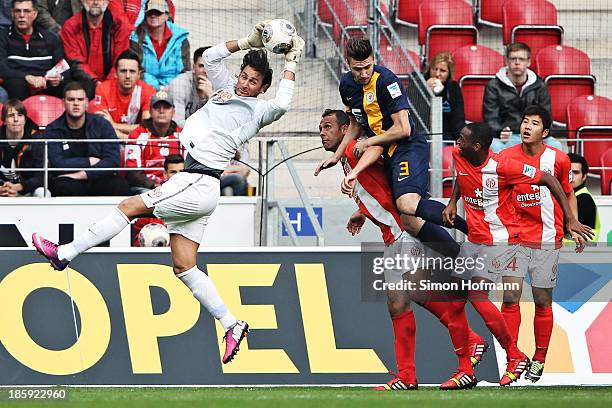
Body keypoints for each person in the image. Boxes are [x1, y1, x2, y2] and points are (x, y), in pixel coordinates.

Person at [32, 22, 304, 365]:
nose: (245, 84)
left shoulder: (258, 110)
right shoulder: (226, 88)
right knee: (184, 266)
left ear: (262, 87)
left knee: (130, 205)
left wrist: (291, 62)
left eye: (254, 82)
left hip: (196, 179)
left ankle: (65, 253)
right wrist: (249, 41)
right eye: (244, 77)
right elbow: (212, 58)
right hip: (201, 185)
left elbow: (282, 103)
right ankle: (233, 323)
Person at [320, 108, 488, 391]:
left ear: (345, 127)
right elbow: (379, 186)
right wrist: (361, 212)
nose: (322, 133)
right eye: (320, 128)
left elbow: (374, 152)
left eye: (327, 127)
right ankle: (467, 343)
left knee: (400, 302)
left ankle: (415, 374)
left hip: (401, 232)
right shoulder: (347, 158)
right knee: (417, 296)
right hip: (392, 234)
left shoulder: (353, 148)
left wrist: (358, 165)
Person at [442, 122, 592, 387]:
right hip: (474, 238)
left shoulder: (504, 166)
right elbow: (461, 175)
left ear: (476, 146)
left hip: (500, 239)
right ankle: (468, 363)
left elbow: (549, 180)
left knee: (488, 295)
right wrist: (453, 201)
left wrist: (570, 220)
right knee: (453, 299)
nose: (456, 143)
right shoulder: (459, 154)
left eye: (462, 139)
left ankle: (517, 355)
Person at [315, 37, 469, 260]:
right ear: (348, 63)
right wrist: (335, 157)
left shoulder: (387, 81)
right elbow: (356, 122)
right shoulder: (347, 85)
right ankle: (462, 260)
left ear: (373, 60)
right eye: (358, 69)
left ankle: (473, 232)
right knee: (410, 220)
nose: (364, 73)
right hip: (386, 152)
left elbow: (404, 129)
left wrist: (368, 142)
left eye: (367, 67)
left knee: (406, 204)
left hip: (407, 147)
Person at [499, 105, 579, 383]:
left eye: (534, 123)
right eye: (524, 121)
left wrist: (574, 225)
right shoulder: (505, 157)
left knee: (542, 300)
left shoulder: (558, 159)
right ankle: (513, 359)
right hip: (514, 239)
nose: (526, 127)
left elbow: (569, 194)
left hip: (547, 238)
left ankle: (540, 358)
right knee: (510, 296)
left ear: (544, 132)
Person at [44, 81, 131, 196]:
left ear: (86, 103)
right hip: (68, 182)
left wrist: (82, 174)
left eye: (80, 100)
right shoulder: (53, 129)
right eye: (71, 99)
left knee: (121, 185)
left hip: (97, 178)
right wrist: (89, 161)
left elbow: (113, 161)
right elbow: (57, 163)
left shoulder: (102, 125)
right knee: (59, 185)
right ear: (63, 102)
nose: (76, 104)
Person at [483, 42, 561, 152]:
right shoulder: (494, 86)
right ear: (506, 61)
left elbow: (546, 116)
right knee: (494, 146)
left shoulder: (539, 85)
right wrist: (499, 131)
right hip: (507, 138)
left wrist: (537, 132)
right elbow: (490, 118)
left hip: (534, 135)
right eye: (513, 59)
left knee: (555, 145)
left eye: (521, 59)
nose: (517, 63)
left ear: (528, 62)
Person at [60, 0, 133, 99]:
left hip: (114, 81)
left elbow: (121, 59)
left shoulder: (120, 25)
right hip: (83, 83)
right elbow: (76, 63)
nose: (95, 2)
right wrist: (96, 84)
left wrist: (108, 85)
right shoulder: (71, 27)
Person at [0, 0, 69, 100]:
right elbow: (2, 69)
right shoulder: (3, 37)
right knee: (15, 84)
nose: (22, 15)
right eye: (18, 11)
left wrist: (59, 78)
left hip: (46, 82)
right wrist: (27, 77)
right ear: (12, 13)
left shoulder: (50, 38)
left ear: (35, 14)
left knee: (70, 87)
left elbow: (64, 67)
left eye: (27, 11)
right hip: (18, 84)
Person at [124, 89, 182, 192]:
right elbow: (132, 172)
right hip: (148, 188)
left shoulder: (183, 134)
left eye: (166, 107)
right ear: (150, 111)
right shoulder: (137, 134)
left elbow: (190, 168)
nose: (161, 111)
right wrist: (154, 186)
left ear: (173, 111)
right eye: (157, 107)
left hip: (179, 186)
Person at [93, 49, 156, 139]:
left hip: (139, 143)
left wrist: (114, 125)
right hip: (111, 140)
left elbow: (147, 128)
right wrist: (128, 138)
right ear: (115, 73)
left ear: (139, 74)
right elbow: (102, 126)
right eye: (123, 71)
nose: (127, 76)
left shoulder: (148, 91)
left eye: (132, 71)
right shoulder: (102, 89)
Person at [129, 0, 189, 90]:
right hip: (145, 88)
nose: (153, 16)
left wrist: (170, 87)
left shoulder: (180, 39)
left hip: (174, 88)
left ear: (166, 15)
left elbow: (184, 71)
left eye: (158, 13)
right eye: (150, 13)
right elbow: (137, 70)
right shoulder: (135, 38)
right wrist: (158, 87)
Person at [131, 153, 183, 246]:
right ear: (165, 175)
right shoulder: (151, 201)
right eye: (173, 172)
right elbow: (137, 242)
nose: (177, 176)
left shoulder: (196, 201)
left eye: (181, 172)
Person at [0, 98, 45, 197]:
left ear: (25, 120)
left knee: (42, 192)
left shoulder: (36, 139)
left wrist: (19, 187)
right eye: (11, 116)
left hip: (26, 189)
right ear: (4, 121)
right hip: (2, 190)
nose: (16, 119)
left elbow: (42, 177)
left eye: (20, 115)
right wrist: (1, 189)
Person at [423, 52, 465, 141]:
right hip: (423, 135)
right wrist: (425, 89)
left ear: (449, 73)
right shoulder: (419, 83)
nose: (437, 74)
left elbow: (458, 118)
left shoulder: (453, 88)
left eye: (442, 71)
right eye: (434, 69)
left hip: (447, 137)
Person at [168, 46, 213, 127]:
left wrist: (211, 96)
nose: (205, 71)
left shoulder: (221, 85)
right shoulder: (179, 84)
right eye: (201, 66)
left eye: (209, 66)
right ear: (193, 67)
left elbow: (223, 122)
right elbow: (176, 123)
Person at [567, 152, 600, 242]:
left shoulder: (584, 199)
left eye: (576, 172)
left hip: (576, 253)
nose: (571, 176)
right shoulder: (568, 196)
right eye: (568, 172)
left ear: (584, 176)